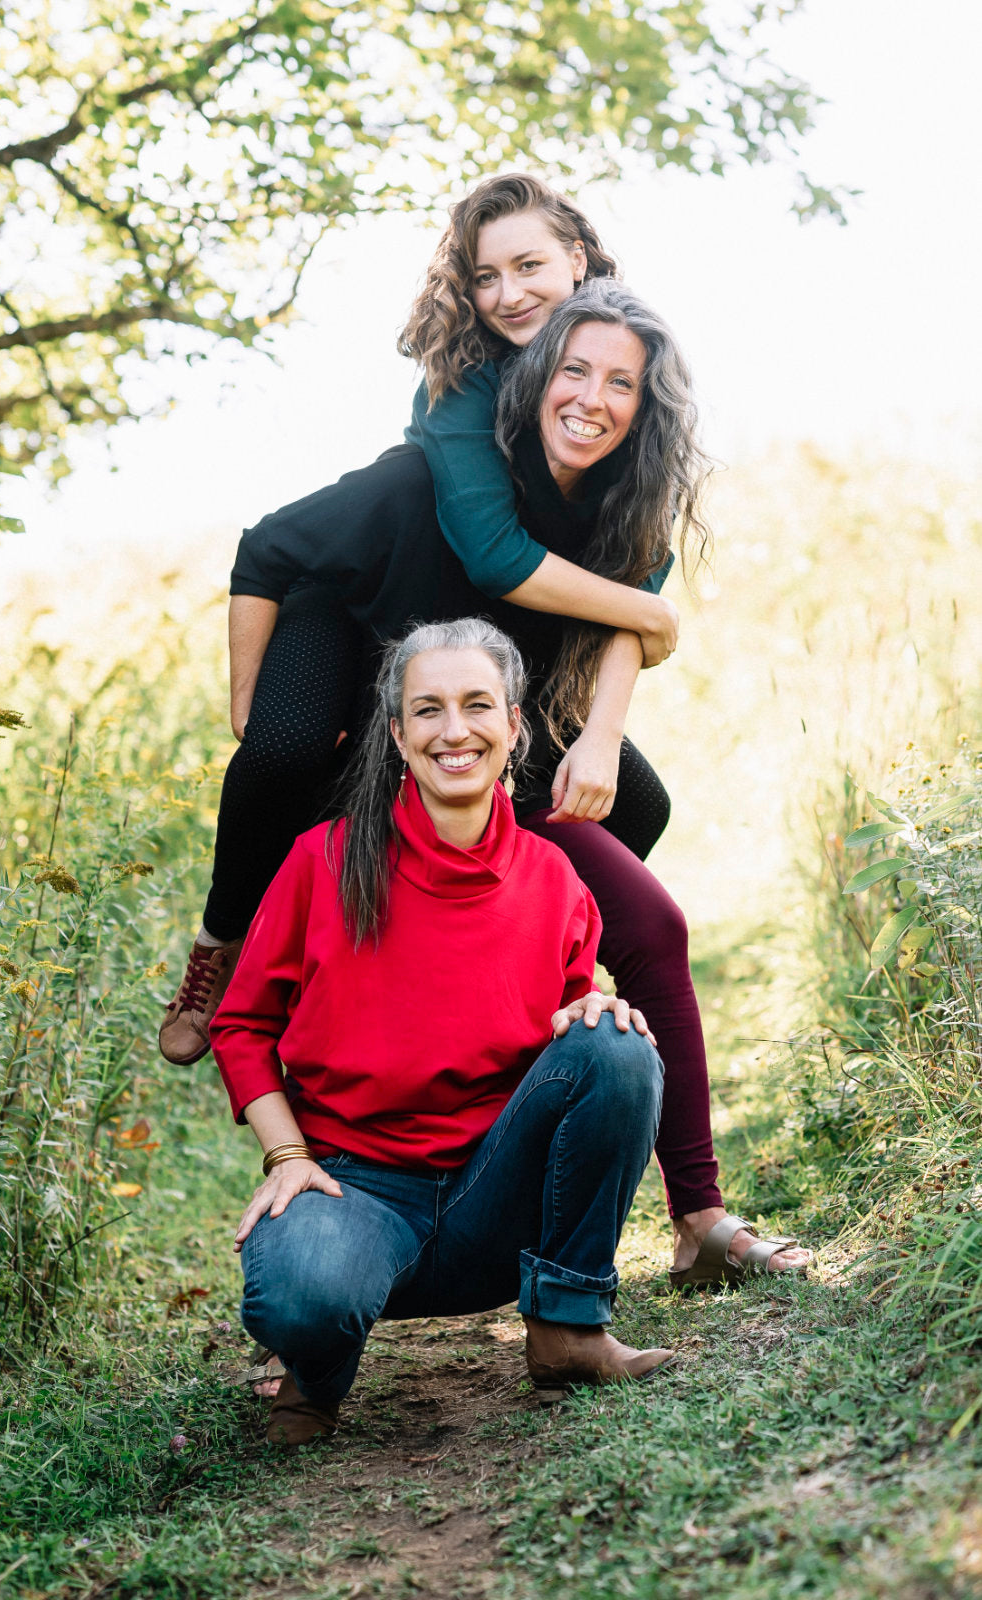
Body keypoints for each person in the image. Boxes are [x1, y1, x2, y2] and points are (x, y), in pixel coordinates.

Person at [164, 176, 810, 1287]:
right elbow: (306, 550)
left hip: (478, 693)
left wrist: (604, 722)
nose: (589, 395)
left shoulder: (627, 454)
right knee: (280, 750)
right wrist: (249, 699)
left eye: (614, 381)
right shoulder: (451, 440)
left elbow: (624, 615)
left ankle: (693, 1208)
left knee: (640, 835)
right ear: (530, 373)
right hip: (353, 627)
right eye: (488, 276)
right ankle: (218, 951)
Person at [210, 619, 673, 1447]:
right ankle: (316, 1365)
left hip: (496, 1191)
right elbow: (241, 1025)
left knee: (619, 1046)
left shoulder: (554, 876)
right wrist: (287, 1156)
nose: (454, 730)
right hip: (351, 1189)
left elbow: (570, 1030)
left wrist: (596, 1009)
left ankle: (567, 1328)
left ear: (514, 725)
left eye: (476, 705)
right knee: (299, 1297)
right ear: (397, 735)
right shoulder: (321, 860)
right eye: (427, 710)